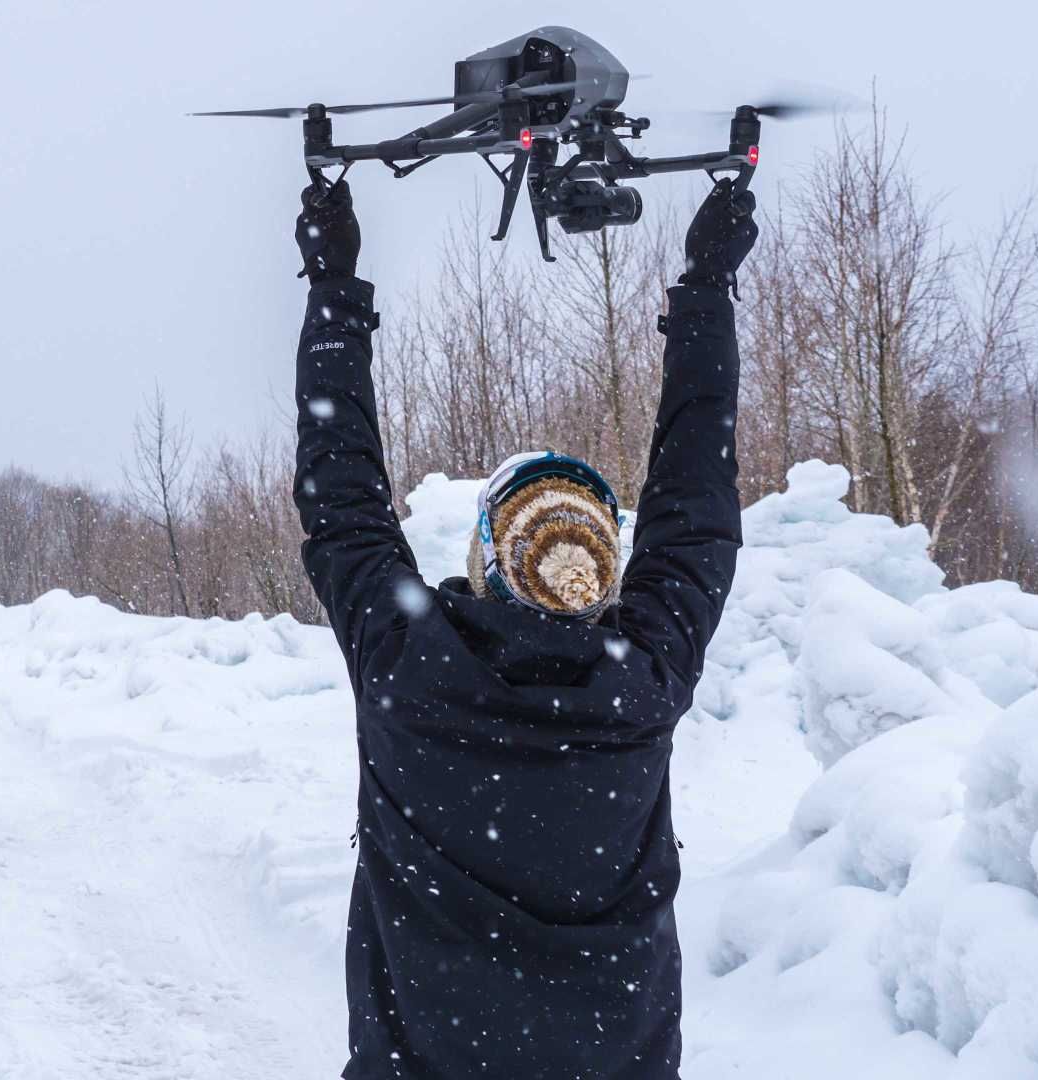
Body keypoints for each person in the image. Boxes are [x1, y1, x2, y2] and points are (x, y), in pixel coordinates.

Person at [293, 177, 756, 1078]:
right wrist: (708, 290)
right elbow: (698, 504)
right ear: (608, 571)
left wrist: (332, 289)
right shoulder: (644, 679)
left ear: (486, 561)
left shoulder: (408, 663)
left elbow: (339, 491)